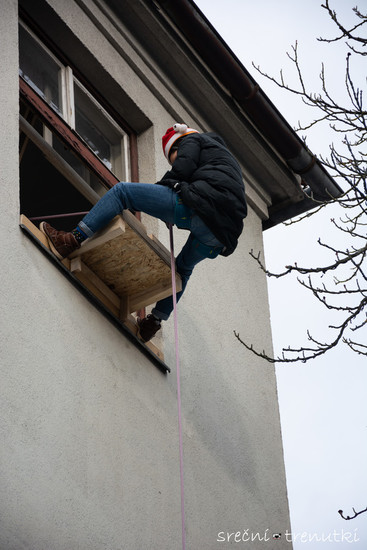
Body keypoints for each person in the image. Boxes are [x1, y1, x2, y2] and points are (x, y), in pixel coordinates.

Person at [40, 123, 247, 341]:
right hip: (220, 235)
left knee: (122, 192)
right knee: (182, 271)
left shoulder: (191, 139)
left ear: (177, 144)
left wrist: (162, 191)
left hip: (199, 208)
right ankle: (153, 322)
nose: (174, 160)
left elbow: (184, 167)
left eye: (172, 157)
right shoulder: (222, 158)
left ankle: (71, 239)